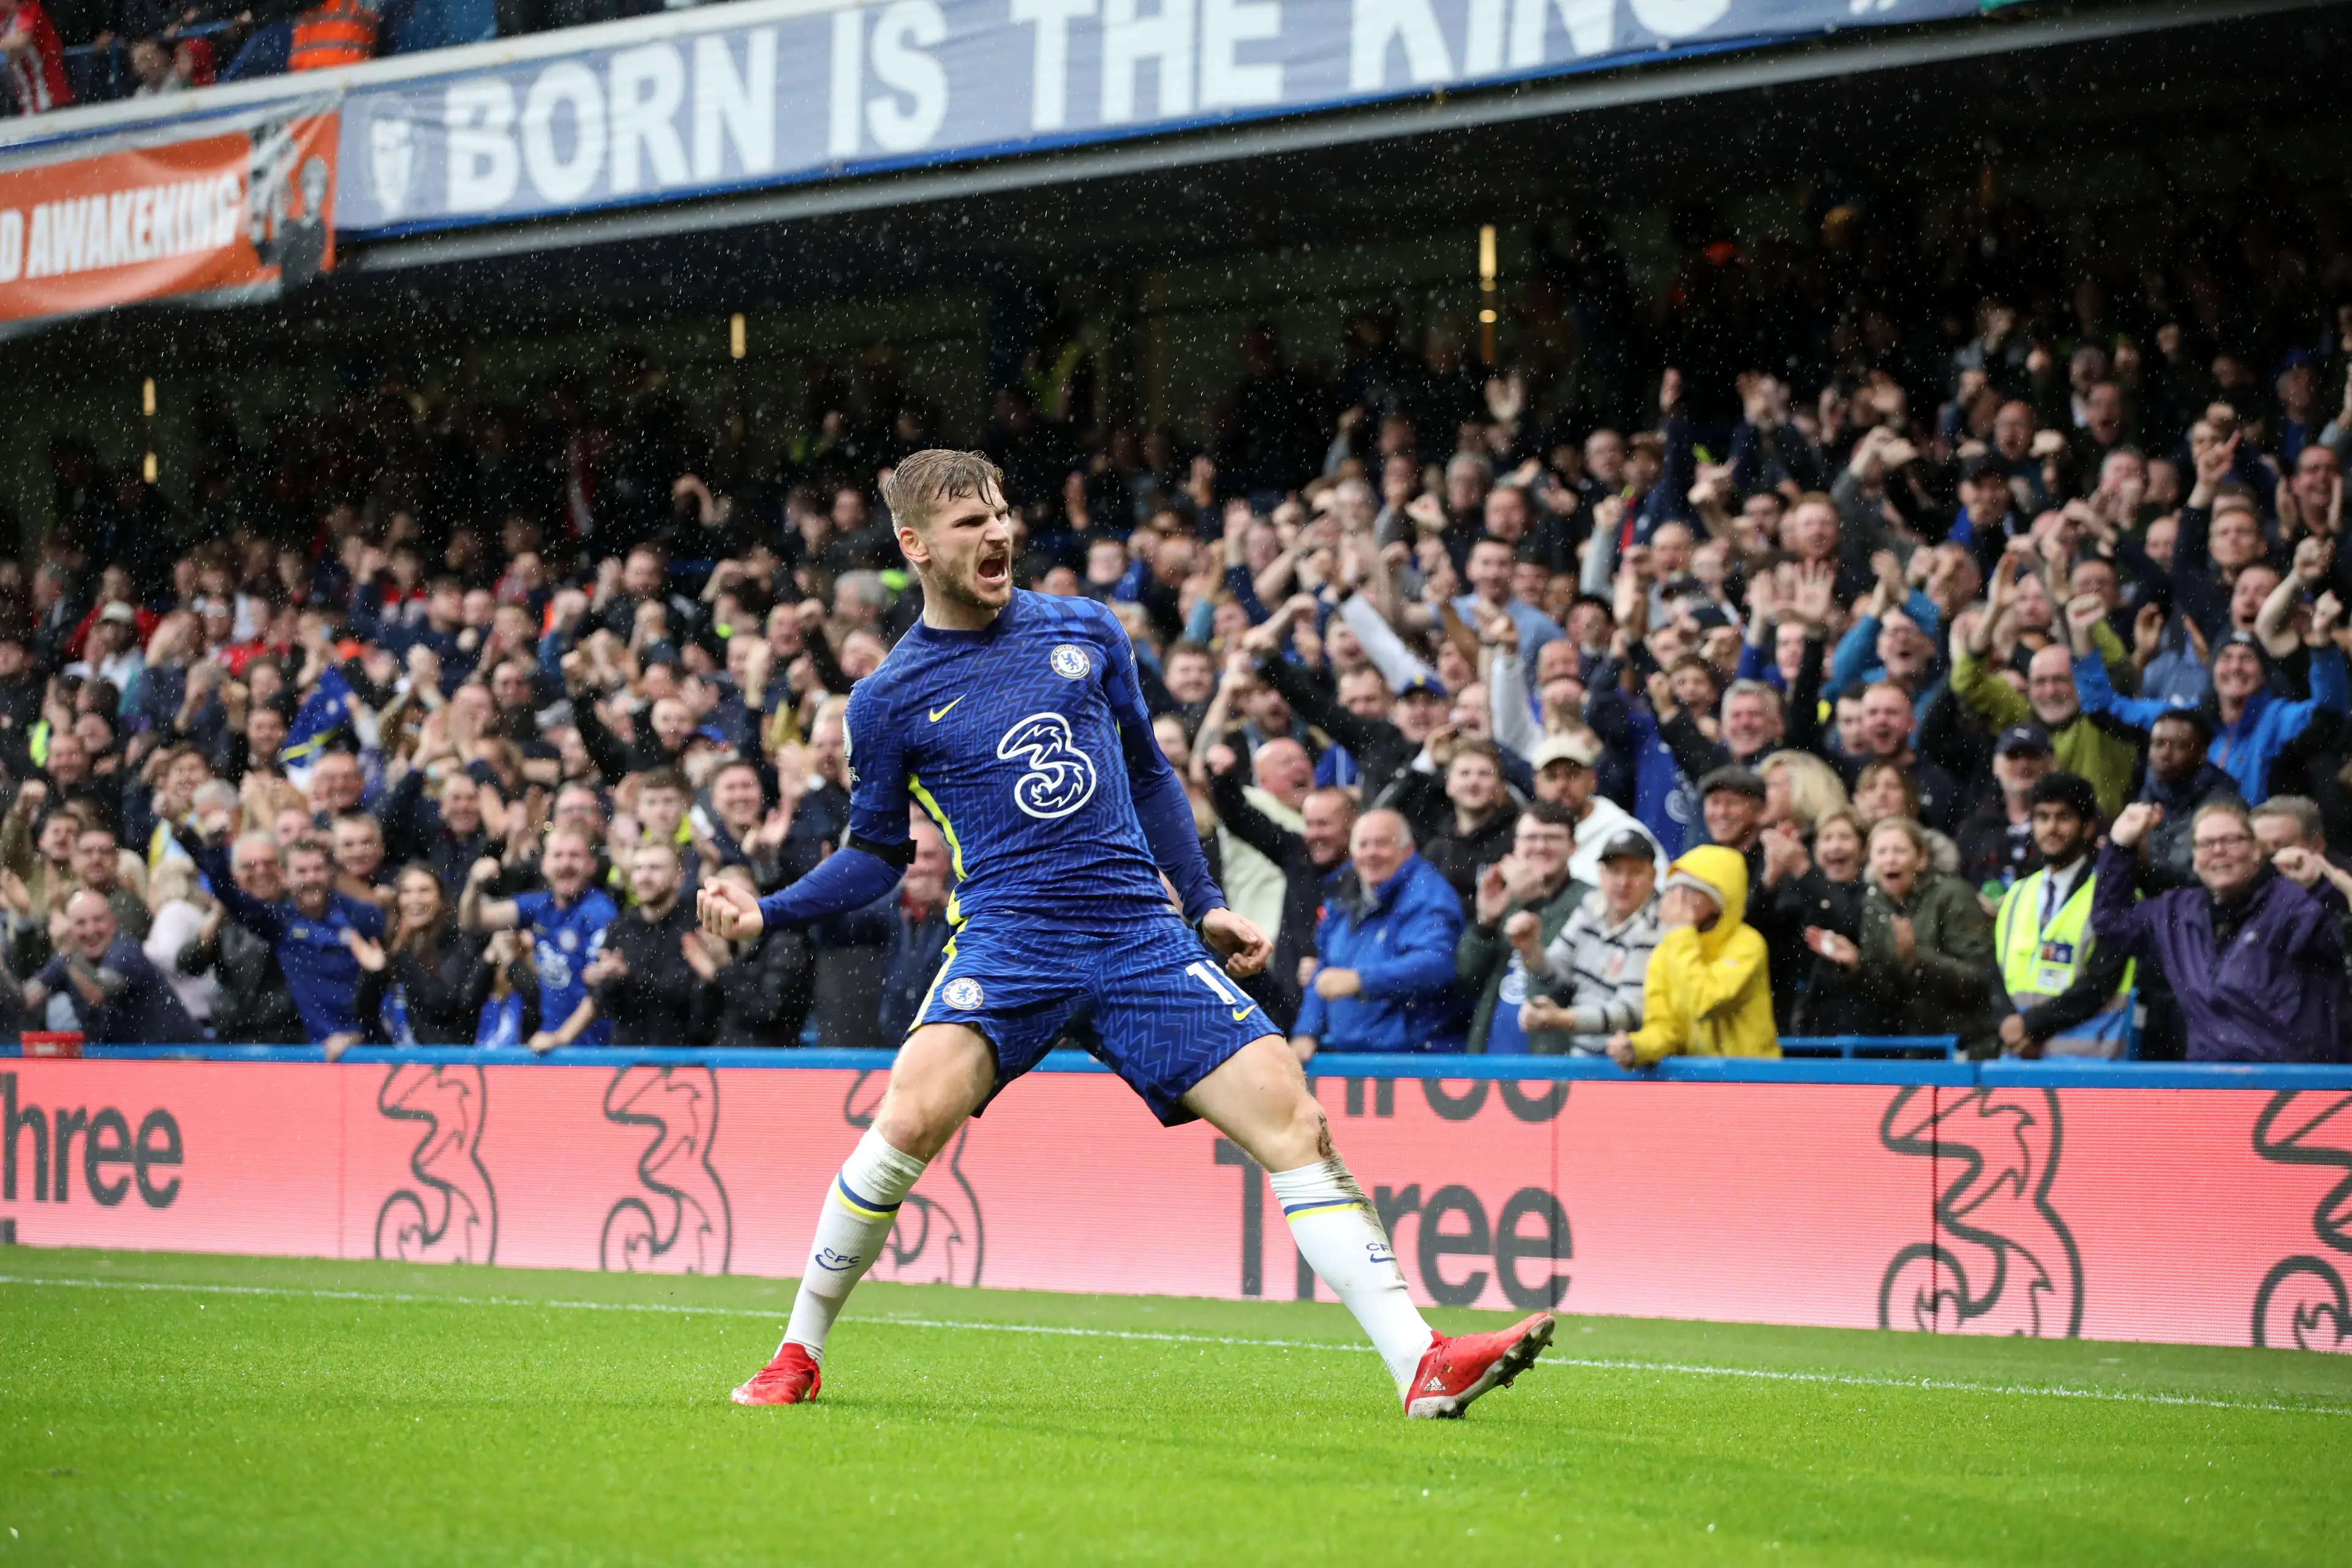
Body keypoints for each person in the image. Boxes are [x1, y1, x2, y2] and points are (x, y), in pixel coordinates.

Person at [696, 452, 1552, 1416]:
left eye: (1003, 513)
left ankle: (1420, 1363)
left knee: (1294, 1119)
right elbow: (875, 856)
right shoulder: (887, 699)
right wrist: (767, 909)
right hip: (1012, 939)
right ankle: (798, 1352)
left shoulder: (1086, 629)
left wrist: (1200, 898)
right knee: (907, 1121)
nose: (998, 535)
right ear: (914, 546)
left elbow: (1150, 776)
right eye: (971, 524)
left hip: (1140, 933)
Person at [2094, 799, 2345, 1061]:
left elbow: (2342, 943)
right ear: (2194, 859)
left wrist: (2322, 887)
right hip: (2213, 1088)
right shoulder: (2176, 913)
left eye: (2231, 840)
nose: (2218, 850)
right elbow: (2111, 921)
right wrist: (2120, 848)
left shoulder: (2293, 903)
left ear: (2256, 851)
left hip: (2296, 1086)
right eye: (2205, 844)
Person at [1289, 809, 1469, 1059]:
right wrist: (1306, 1032)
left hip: (1417, 1061)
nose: (1371, 853)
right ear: (1353, 853)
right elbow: (1325, 972)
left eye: (1383, 843)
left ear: (1408, 851)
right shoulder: (1343, 896)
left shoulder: (1427, 895)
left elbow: (1436, 965)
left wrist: (1361, 981)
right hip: (1352, 1060)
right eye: (1363, 844)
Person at [195, 826, 384, 1050]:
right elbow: (230, 895)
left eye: (318, 869)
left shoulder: (361, 917)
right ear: (284, 878)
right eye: (302, 871)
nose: (311, 878)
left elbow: (392, 985)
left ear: (331, 873)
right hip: (315, 1054)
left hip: (373, 1050)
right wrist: (214, 848)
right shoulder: (280, 922)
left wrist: (359, 1033)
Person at [1827, 816, 2000, 1055]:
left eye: (1899, 851)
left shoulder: (1954, 895)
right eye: (1882, 852)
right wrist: (1857, 965)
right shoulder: (1874, 903)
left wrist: (1918, 959)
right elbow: (1888, 993)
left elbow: (1979, 979)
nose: (1890, 859)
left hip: (1965, 1043)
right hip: (1914, 1044)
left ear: (1922, 859)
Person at [1990, 774, 2133, 1058]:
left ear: (2088, 827)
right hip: (2019, 1060)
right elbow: (1995, 973)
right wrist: (2009, 1025)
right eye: (2042, 817)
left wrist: (2031, 1025)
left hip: (2086, 1067)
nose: (2051, 828)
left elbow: (2101, 984)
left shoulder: (2115, 896)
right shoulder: (2016, 895)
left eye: (2063, 817)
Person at [1606, 845, 1776, 1066]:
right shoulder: (1666, 951)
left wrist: (1682, 933)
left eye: (1689, 891)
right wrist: (1638, 1048)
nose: (1677, 899)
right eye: (1673, 890)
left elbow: (1707, 1003)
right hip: (1696, 1084)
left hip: (1754, 1081)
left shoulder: (1748, 944)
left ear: (1718, 903)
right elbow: (1665, 1029)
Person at [461, 823, 619, 1052]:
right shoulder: (540, 905)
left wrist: (561, 1038)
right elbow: (472, 922)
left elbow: (601, 990)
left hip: (594, 1050)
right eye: (558, 855)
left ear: (591, 865)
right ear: (545, 865)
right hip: (552, 1047)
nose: (565, 864)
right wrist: (474, 885)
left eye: (575, 856)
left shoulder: (599, 913)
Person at [1517, 828, 1662, 1055]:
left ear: (1652, 878)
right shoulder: (1591, 905)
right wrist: (1531, 951)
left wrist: (1560, 1019)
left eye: (1635, 872)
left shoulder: (1657, 927)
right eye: (1615, 871)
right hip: (1581, 1058)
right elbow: (1558, 970)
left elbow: (1629, 1012)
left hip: (1628, 1065)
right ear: (1601, 874)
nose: (1624, 882)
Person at [1455, 802, 1585, 1054]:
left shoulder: (1590, 901)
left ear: (1573, 847)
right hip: (1491, 1059)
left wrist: (1534, 902)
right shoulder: (1506, 901)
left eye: (1552, 838)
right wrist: (1485, 923)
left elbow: (1561, 982)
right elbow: (1466, 982)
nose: (1540, 846)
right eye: (1531, 837)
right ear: (1516, 846)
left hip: (1553, 1062)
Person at [348, 865, 494, 1051]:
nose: (415, 899)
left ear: (441, 899)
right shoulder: (390, 945)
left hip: (455, 1065)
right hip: (398, 1067)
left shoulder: (458, 942)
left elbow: (442, 1005)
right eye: (406, 892)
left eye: (424, 891)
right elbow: (363, 1013)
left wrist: (401, 955)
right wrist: (374, 974)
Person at [21, 889, 196, 1044]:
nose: (90, 931)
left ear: (113, 924)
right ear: (69, 929)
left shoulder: (126, 952)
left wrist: (69, 954)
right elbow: (23, 1002)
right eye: (80, 923)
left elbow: (98, 992)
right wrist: (21, 917)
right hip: (126, 1062)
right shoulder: (67, 959)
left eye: (98, 920)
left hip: (177, 1057)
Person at [590, 840, 703, 1047]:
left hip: (685, 1059)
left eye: (655, 868)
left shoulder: (696, 926)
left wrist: (627, 978)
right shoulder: (621, 926)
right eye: (638, 868)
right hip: (626, 1056)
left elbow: (686, 996)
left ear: (680, 877)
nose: (644, 877)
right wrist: (603, 980)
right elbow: (603, 1005)